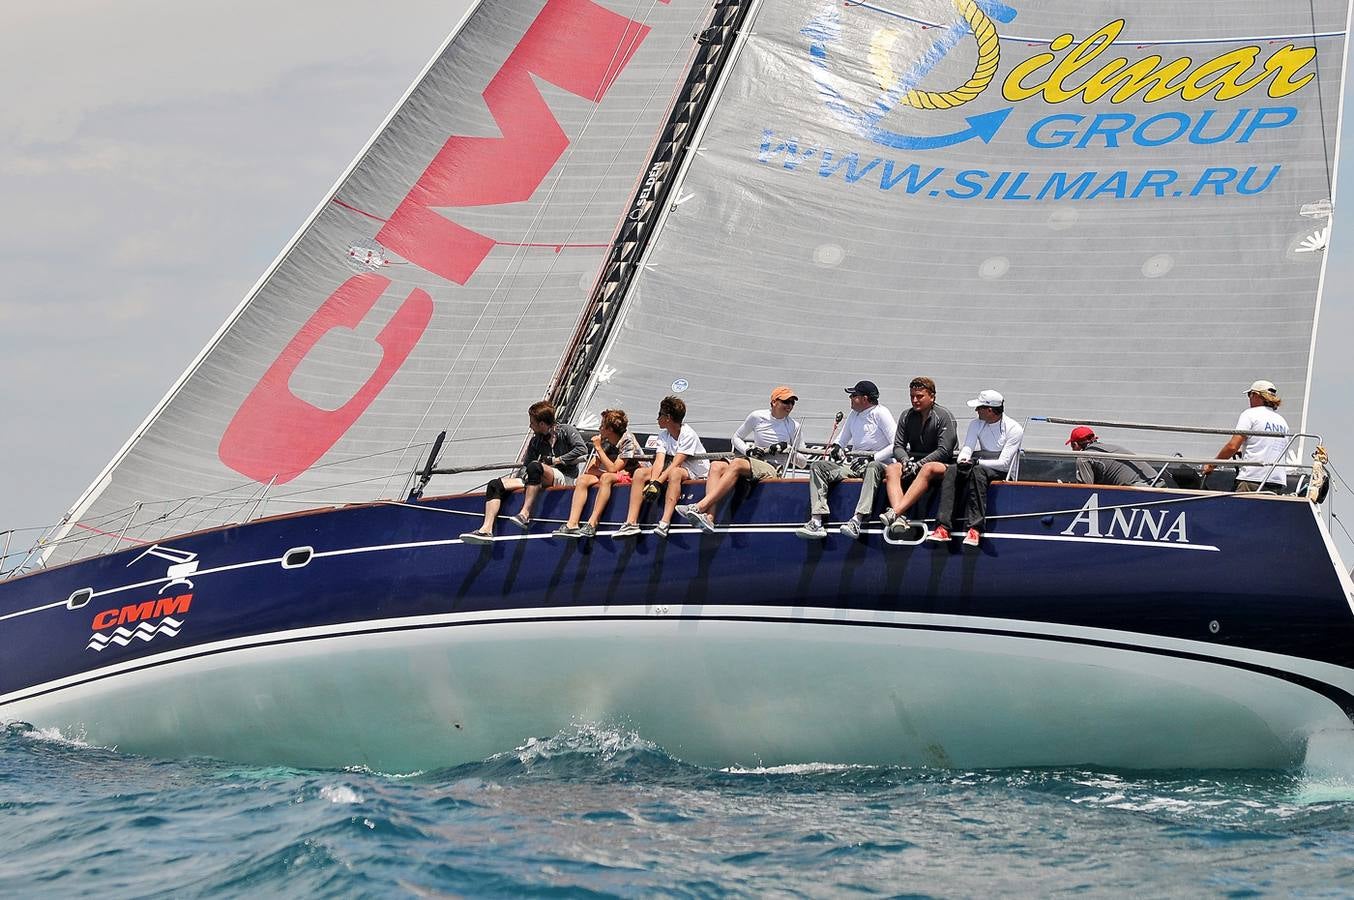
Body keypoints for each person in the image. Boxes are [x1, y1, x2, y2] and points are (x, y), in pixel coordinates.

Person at [839, 376, 956, 539]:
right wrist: (905, 461)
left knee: (927, 468)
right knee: (892, 468)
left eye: (920, 396)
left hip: (943, 465)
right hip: (914, 462)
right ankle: (899, 519)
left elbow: (945, 450)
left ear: (932, 396)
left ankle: (895, 512)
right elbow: (898, 446)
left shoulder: (944, 416)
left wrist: (920, 463)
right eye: (912, 396)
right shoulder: (906, 416)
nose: (915, 400)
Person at [677, 386, 804, 533]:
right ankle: (709, 518)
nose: (789, 406)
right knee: (716, 466)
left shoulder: (794, 426)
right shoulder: (757, 416)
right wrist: (748, 450)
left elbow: (803, 462)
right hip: (755, 463)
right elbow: (736, 438)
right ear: (774, 402)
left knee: (736, 463)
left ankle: (699, 507)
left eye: (792, 403)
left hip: (773, 469)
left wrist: (787, 449)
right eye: (786, 402)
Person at [460, 400, 587, 544]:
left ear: (542, 424)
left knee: (535, 467)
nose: (530, 426)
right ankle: (486, 530)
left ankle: (525, 514)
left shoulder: (566, 430)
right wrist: (526, 476)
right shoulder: (536, 441)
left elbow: (582, 449)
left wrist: (556, 460)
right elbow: (527, 465)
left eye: (532, 423)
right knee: (495, 484)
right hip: (538, 475)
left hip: (565, 477)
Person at [795, 380, 896, 539]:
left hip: (879, 465)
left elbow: (896, 444)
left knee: (872, 466)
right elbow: (841, 440)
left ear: (865, 398)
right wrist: (837, 447)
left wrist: (872, 457)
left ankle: (857, 520)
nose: (850, 398)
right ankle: (817, 520)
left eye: (854, 395)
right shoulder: (854, 414)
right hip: (855, 465)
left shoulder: (881, 413)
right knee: (818, 466)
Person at [928, 389, 1023, 548]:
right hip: (980, 463)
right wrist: (962, 459)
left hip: (1001, 470)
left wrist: (976, 463)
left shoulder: (1014, 429)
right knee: (951, 470)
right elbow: (968, 447)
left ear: (990, 410)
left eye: (979, 407)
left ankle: (975, 528)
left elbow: (1004, 463)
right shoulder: (976, 423)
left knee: (978, 472)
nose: (976, 410)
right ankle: (943, 527)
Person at [614, 396, 709, 538]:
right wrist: (653, 482)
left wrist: (658, 483)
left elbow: (677, 462)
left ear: (668, 418)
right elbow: (659, 461)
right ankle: (631, 523)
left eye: (659, 414)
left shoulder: (688, 434)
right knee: (640, 473)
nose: (657, 418)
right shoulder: (664, 435)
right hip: (676, 468)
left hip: (696, 472)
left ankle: (664, 522)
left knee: (675, 473)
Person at [552, 409, 642, 539]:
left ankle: (592, 523)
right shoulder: (604, 441)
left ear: (610, 429)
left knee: (606, 477)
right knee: (583, 479)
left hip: (632, 475)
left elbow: (614, 468)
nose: (599, 429)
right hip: (617, 474)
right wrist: (601, 454)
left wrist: (599, 448)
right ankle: (572, 524)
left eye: (601, 426)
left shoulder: (626, 440)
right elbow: (590, 469)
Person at [1203, 379, 1295, 492]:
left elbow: (1232, 446)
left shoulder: (1250, 414)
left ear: (1256, 395)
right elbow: (1271, 447)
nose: (1249, 399)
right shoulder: (1283, 422)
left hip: (1252, 479)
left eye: (1249, 395)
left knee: (1239, 509)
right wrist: (1244, 451)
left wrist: (1212, 465)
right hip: (1276, 482)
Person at [1066, 426, 1158, 487]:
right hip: (1158, 483)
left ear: (1075, 444)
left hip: (1143, 490)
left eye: (1072, 446)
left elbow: (1085, 490)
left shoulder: (1083, 457)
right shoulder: (1111, 448)